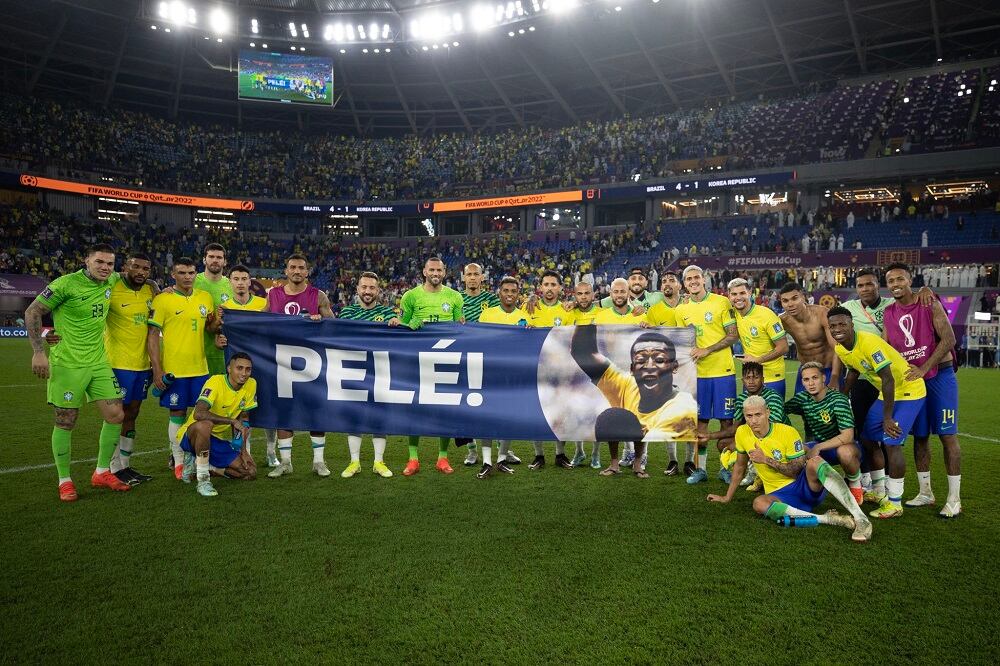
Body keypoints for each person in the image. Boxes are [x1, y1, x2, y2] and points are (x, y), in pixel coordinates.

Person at [25, 243, 131, 501]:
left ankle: (102, 472)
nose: (105, 267)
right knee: (66, 420)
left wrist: (157, 285)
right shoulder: (65, 284)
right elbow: (33, 311)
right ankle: (65, 481)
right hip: (68, 363)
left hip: (99, 362)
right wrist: (38, 351)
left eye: (109, 263)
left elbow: (133, 275)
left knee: (116, 415)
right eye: (99, 262)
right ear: (87, 261)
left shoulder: (112, 279)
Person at [707, 395, 873, 543]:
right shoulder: (742, 432)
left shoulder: (787, 432)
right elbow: (740, 466)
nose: (754, 420)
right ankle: (828, 519)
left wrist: (766, 460)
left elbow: (796, 471)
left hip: (805, 488)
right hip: (781, 496)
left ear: (767, 412)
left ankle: (861, 519)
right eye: (749, 416)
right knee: (759, 503)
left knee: (815, 462)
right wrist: (727, 497)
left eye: (758, 414)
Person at [828, 306, 926, 520]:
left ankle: (895, 503)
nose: (837, 329)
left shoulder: (869, 343)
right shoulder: (840, 348)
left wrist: (887, 418)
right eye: (833, 326)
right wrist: (843, 395)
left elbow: (888, 379)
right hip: (887, 392)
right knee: (867, 438)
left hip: (909, 390)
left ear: (852, 325)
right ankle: (879, 491)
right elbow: (854, 369)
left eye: (842, 324)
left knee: (891, 442)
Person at [882, 263, 962, 518]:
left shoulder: (928, 302)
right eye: (891, 281)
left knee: (947, 436)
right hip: (913, 381)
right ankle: (926, 492)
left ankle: (954, 499)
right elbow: (886, 348)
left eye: (900, 279)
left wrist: (924, 367)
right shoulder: (889, 313)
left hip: (939, 376)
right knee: (920, 436)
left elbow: (949, 339)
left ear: (910, 280)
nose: (895, 284)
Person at [570, 324, 697, 478]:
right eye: (641, 360)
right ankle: (614, 464)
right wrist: (590, 319)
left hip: (649, 427)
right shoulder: (625, 384)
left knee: (635, 424)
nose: (649, 366)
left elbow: (644, 430)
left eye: (659, 359)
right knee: (613, 416)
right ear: (632, 369)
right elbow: (582, 352)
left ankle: (639, 463)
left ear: (674, 366)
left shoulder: (683, 406)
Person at [390, 256, 464, 476]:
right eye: (431, 270)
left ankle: (443, 457)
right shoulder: (410, 296)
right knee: (415, 407)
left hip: (445, 359)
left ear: (444, 272)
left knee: (445, 409)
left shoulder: (454, 296)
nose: (435, 273)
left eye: (439, 270)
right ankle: (413, 459)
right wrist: (405, 323)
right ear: (424, 271)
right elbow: (403, 327)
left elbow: (461, 328)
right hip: (418, 360)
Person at [148, 257, 220, 480]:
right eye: (182, 273)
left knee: (201, 416)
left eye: (190, 273)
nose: (187, 277)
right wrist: (157, 370)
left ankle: (194, 458)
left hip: (200, 369)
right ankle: (178, 461)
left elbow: (209, 328)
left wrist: (217, 323)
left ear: (195, 274)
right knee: (177, 414)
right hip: (175, 371)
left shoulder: (204, 297)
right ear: (173, 275)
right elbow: (152, 336)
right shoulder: (163, 300)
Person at [266, 254, 335, 479]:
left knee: (315, 410)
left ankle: (319, 461)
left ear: (307, 271)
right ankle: (285, 462)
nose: (297, 271)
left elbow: (334, 327)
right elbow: (259, 324)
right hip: (281, 362)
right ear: (286, 270)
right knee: (284, 411)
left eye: (301, 268)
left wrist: (321, 322)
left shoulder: (318, 295)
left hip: (311, 362)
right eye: (293, 267)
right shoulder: (273, 295)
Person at [674, 265, 738, 484]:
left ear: (704, 280)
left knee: (726, 423)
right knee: (700, 423)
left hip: (723, 373)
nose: (693, 281)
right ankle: (701, 470)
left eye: (696, 277)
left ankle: (724, 468)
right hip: (697, 376)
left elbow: (733, 335)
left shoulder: (721, 302)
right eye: (688, 279)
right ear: (684, 284)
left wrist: (707, 350)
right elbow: (681, 342)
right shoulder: (681, 311)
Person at [336, 271, 397, 479]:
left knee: (379, 417)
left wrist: (396, 326)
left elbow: (397, 342)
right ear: (357, 289)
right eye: (364, 287)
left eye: (372, 288)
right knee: (355, 416)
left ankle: (378, 461)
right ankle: (354, 462)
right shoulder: (346, 313)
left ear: (378, 291)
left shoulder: (387, 314)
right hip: (353, 371)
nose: (367, 291)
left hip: (380, 372)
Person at [105, 252, 159, 485]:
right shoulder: (112, 287)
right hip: (118, 364)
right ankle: (112, 467)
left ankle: (125, 465)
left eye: (145, 269)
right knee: (118, 415)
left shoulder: (150, 290)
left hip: (142, 364)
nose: (140, 272)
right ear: (125, 267)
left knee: (133, 413)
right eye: (135, 267)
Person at [176, 353, 257, 497]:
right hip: (191, 435)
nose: (244, 373)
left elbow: (243, 420)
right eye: (239, 368)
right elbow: (199, 414)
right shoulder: (215, 382)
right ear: (229, 369)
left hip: (215, 440)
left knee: (249, 472)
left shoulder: (251, 384)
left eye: (248, 369)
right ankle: (203, 480)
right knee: (205, 425)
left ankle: (204, 465)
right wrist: (231, 421)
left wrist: (243, 451)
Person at [476, 276, 532, 479]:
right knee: (487, 417)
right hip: (490, 372)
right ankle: (486, 462)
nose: (509, 294)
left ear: (518, 294)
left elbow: (528, 346)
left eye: (513, 291)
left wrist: (530, 333)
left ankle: (501, 459)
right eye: (506, 291)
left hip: (513, 374)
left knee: (509, 416)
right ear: (499, 293)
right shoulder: (487, 314)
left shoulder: (524, 317)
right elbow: (478, 340)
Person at [785, 361, 863, 504]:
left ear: (823, 378)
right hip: (820, 446)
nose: (811, 383)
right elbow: (781, 411)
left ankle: (855, 484)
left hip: (846, 446)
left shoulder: (838, 400)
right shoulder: (802, 399)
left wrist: (818, 447)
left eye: (814, 378)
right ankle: (805, 489)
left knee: (845, 453)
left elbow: (847, 436)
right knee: (796, 449)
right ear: (802, 382)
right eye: (806, 379)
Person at [700, 361, 788, 487]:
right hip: (757, 436)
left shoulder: (773, 398)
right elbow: (734, 429)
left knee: (747, 443)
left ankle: (761, 472)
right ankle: (752, 470)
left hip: (778, 438)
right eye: (748, 378)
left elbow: (770, 428)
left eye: (755, 377)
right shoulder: (742, 399)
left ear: (763, 379)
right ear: (743, 380)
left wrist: (743, 443)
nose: (751, 381)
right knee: (723, 443)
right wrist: (709, 436)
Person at [456, 263, 501, 467]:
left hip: (488, 359)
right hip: (464, 358)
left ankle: (502, 449)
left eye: (476, 274)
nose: (473, 277)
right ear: (463, 277)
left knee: (492, 403)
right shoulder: (456, 300)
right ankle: (472, 450)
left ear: (482, 277)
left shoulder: (492, 300)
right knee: (467, 404)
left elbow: (508, 316)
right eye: (469, 274)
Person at [527, 270, 572, 470]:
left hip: (560, 370)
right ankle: (539, 455)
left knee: (560, 413)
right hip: (536, 368)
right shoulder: (529, 307)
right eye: (546, 284)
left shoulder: (567, 311)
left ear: (560, 288)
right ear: (540, 287)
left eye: (554, 284)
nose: (550, 288)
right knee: (536, 412)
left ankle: (560, 454)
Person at [563, 280, 603, 468]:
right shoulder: (568, 314)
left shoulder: (602, 314)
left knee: (597, 414)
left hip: (597, 370)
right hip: (574, 370)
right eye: (580, 294)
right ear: (575, 296)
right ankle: (579, 452)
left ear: (593, 295)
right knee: (575, 413)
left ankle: (596, 454)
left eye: (587, 293)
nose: (584, 297)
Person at [728, 278, 788, 397]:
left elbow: (783, 347)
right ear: (729, 296)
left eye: (742, 293)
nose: (738, 297)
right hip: (750, 377)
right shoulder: (733, 313)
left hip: (771, 378)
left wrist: (757, 360)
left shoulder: (767, 315)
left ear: (750, 292)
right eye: (734, 294)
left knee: (771, 410)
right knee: (749, 409)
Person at [779, 282, 842, 394]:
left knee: (833, 405)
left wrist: (835, 377)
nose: (790, 304)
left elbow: (837, 348)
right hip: (805, 371)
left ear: (803, 297)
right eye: (785, 301)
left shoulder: (822, 313)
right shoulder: (782, 321)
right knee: (802, 405)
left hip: (828, 370)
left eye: (795, 298)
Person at [193, 243, 234, 376]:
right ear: (204, 260)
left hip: (222, 353)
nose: (215, 260)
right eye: (211, 257)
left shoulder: (232, 285)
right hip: (195, 353)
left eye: (219, 257)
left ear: (225, 261)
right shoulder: (192, 281)